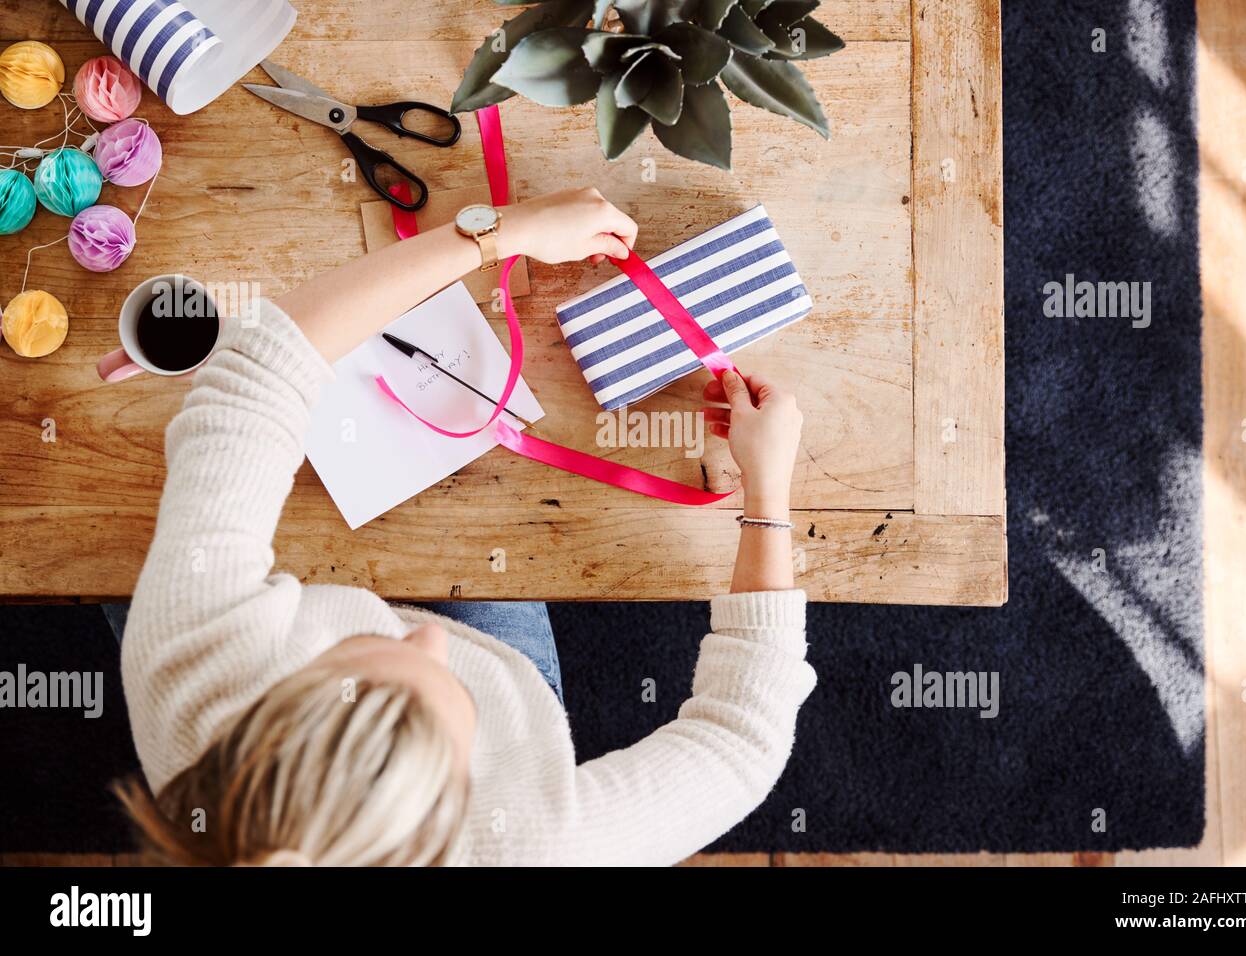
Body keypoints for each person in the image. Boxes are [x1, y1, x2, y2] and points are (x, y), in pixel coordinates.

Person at [113, 187, 816, 866]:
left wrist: (501, 231)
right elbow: (741, 739)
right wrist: (768, 490)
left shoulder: (189, 669)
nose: (427, 636)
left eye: (351, 657)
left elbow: (259, 363)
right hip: (514, 706)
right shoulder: (534, 847)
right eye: (442, 698)